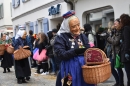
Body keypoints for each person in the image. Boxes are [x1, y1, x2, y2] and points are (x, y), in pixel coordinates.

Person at [54, 11, 95, 86]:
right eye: (73, 26)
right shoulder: (61, 37)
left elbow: (87, 47)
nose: (77, 28)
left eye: (78, 25)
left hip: (84, 68)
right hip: (69, 68)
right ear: (67, 27)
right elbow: (60, 54)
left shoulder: (82, 36)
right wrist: (75, 51)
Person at [107, 18, 124, 86]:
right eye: (114, 23)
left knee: (118, 68)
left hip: (117, 52)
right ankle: (118, 81)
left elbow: (115, 42)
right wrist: (111, 31)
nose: (114, 25)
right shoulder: (114, 31)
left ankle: (120, 83)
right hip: (112, 52)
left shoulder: (120, 32)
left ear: (119, 24)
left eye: (115, 23)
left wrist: (108, 38)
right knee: (111, 68)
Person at [120, 14, 130, 86]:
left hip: (127, 54)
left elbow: (127, 41)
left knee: (129, 73)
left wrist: (126, 52)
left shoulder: (126, 28)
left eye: (121, 20)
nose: (120, 21)